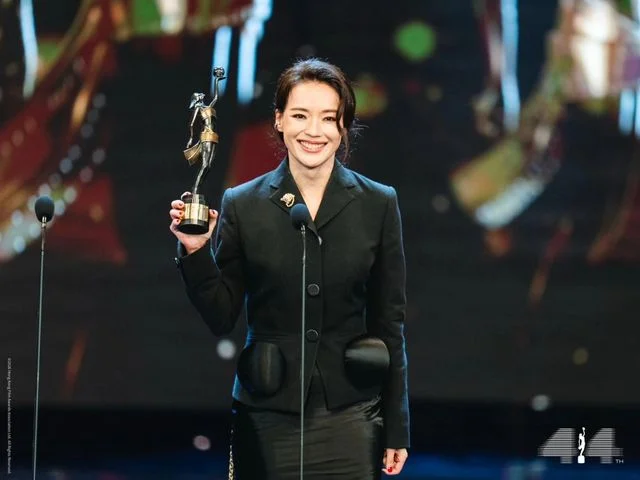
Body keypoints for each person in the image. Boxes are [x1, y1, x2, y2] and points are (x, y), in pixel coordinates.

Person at [169, 58, 410, 479]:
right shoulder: (243, 203)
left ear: (343, 126)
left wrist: (397, 428)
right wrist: (196, 252)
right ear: (279, 120)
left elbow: (389, 324)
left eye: (328, 118)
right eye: (300, 115)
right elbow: (221, 315)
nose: (313, 131)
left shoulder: (378, 203)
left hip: (352, 413)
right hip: (267, 413)